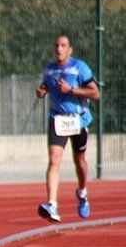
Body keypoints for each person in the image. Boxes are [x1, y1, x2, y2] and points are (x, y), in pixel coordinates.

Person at [36, 34, 100, 222]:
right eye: (56, 45)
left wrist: (71, 90)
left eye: (63, 45)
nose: (59, 49)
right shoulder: (49, 70)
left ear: (69, 49)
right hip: (57, 120)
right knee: (54, 160)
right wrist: (41, 91)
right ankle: (52, 204)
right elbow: (45, 87)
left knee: (79, 162)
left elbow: (96, 93)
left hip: (78, 121)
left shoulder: (80, 67)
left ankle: (82, 192)